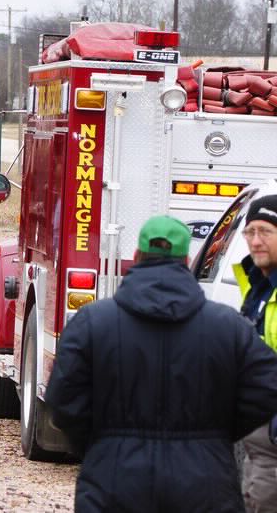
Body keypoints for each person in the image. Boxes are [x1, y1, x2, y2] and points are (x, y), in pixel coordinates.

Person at [45, 215, 277, 513]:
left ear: (137, 257)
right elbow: (267, 388)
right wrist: (219, 433)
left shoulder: (91, 323)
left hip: (112, 482)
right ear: (187, 259)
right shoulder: (229, 327)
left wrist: (98, 443)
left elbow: (63, 401)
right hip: (205, 485)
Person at [234, 195, 277, 511]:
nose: (256, 241)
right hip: (257, 437)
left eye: (266, 232)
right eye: (250, 232)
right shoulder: (255, 285)